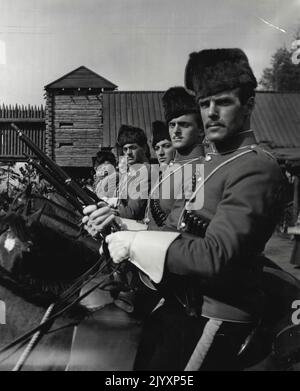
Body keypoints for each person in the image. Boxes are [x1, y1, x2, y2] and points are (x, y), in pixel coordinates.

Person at [103, 48, 285, 370]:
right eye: (204, 104)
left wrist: (136, 242)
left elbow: (216, 256)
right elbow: (175, 230)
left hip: (220, 312)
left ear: (249, 104)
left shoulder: (256, 168)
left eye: (223, 102)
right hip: (184, 301)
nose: (211, 113)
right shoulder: (213, 164)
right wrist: (120, 224)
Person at [145, 86, 204, 230]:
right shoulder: (171, 168)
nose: (176, 131)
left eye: (184, 124)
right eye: (172, 125)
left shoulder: (200, 170)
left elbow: (177, 229)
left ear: (201, 130)